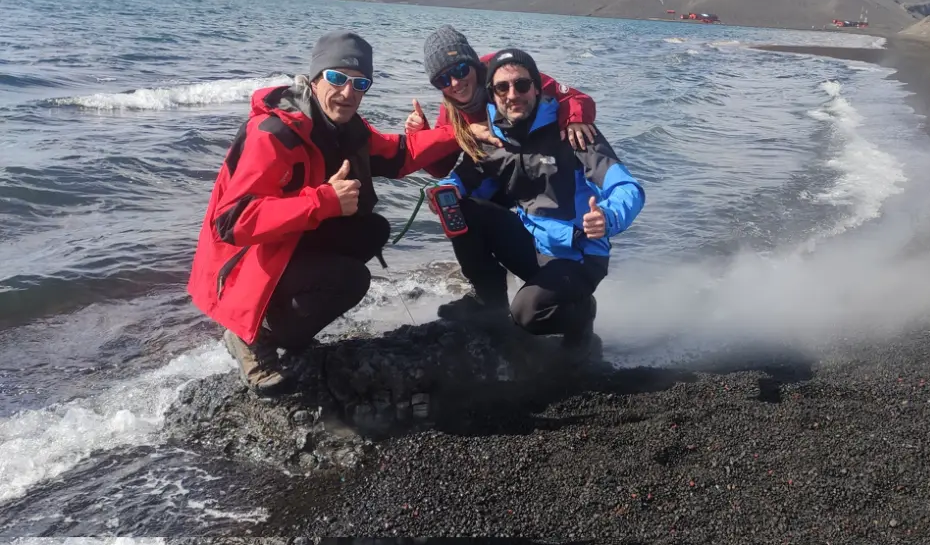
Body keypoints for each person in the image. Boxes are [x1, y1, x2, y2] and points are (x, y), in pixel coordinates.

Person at [187, 30, 484, 394]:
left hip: (282, 246)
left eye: (360, 84)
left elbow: (399, 154)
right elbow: (232, 222)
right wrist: (323, 201)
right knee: (351, 279)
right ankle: (251, 335)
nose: (348, 93)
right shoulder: (272, 133)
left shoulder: (345, 128)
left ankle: (289, 331)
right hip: (239, 265)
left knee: (371, 231)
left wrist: (463, 131)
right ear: (315, 79)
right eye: (337, 78)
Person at [434, 48, 645, 359]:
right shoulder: (494, 137)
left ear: (536, 87)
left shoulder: (571, 131)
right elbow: (466, 178)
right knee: (460, 208)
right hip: (533, 246)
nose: (512, 95)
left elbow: (628, 188)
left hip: (578, 254)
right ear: (492, 94)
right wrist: (444, 190)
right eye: (502, 88)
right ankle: (490, 305)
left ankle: (582, 315)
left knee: (528, 315)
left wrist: (608, 216)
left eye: (521, 85)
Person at [404, 25, 599, 178]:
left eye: (460, 70)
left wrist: (575, 119)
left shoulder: (504, 72)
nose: (455, 83)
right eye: (442, 80)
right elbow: (441, 168)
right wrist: (422, 133)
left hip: (541, 160)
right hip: (498, 173)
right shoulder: (450, 109)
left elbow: (574, 97)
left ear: (474, 65)